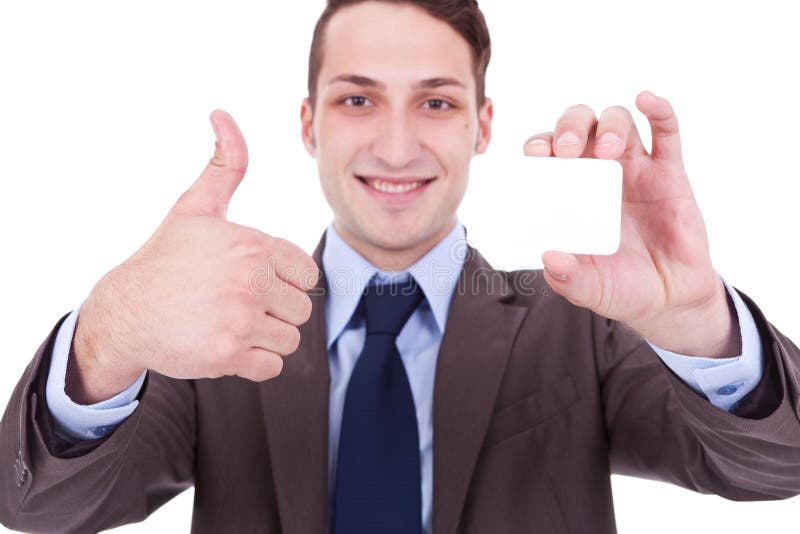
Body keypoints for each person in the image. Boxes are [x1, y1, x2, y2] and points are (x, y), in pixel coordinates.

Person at [1, 0, 799, 532]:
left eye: (437, 101)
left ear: (483, 125)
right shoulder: (218, 322)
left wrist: (693, 317)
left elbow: (776, 468)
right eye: (357, 99)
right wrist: (111, 331)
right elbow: (37, 505)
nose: (395, 145)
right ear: (308, 124)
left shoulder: (583, 325)